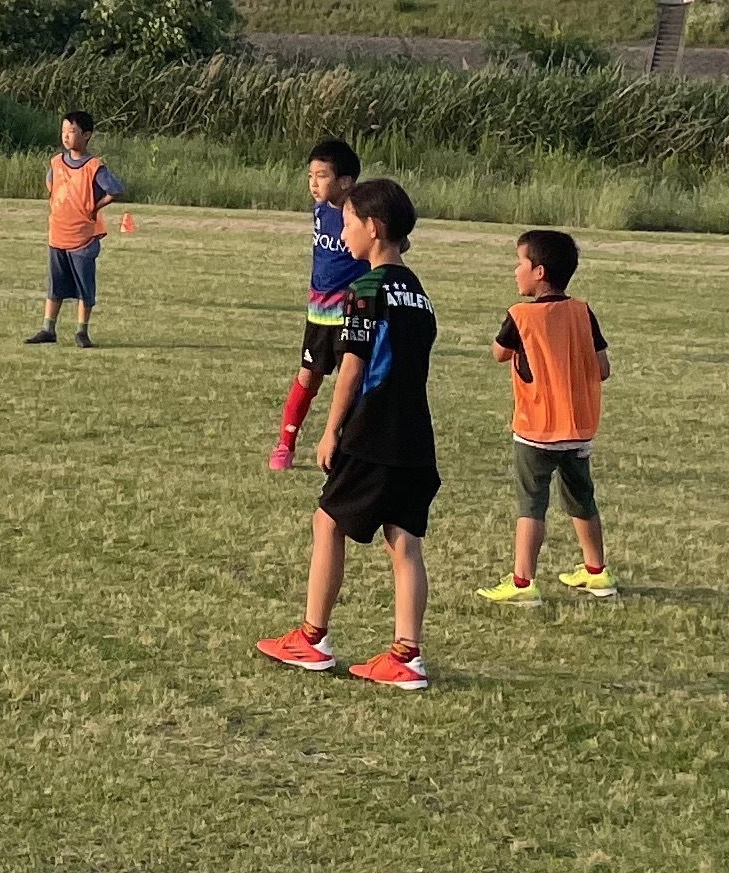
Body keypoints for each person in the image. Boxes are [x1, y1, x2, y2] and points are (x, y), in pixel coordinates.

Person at [257, 178, 436, 690]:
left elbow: (353, 369)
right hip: (414, 432)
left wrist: (331, 431)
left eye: (350, 222)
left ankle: (312, 639)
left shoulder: (364, 290)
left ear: (374, 229)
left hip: (372, 430)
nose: (343, 230)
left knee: (326, 521)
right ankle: (407, 655)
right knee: (404, 540)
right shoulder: (417, 291)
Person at [477, 228, 618, 604]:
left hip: (535, 429)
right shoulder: (582, 312)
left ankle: (523, 582)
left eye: (520, 262)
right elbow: (602, 368)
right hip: (577, 428)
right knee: (582, 500)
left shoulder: (520, 316)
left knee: (531, 504)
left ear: (539, 272)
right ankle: (597, 573)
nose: (515, 270)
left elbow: (498, 353)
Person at [268, 138, 366, 471]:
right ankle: (285, 443)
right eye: (310, 175)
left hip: (352, 314)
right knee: (308, 377)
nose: (313, 183)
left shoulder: (362, 213)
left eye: (322, 175)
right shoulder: (320, 209)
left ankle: (349, 449)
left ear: (346, 182)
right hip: (318, 313)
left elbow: (396, 240)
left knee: (351, 382)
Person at [25, 110, 125, 348]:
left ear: (87, 135)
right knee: (55, 285)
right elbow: (51, 183)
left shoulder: (94, 166)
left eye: (72, 131)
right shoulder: (57, 162)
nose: (66, 136)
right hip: (58, 234)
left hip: (83, 238)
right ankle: (48, 328)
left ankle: (82, 331)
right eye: (63, 131)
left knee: (84, 287)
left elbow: (114, 189)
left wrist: (94, 206)